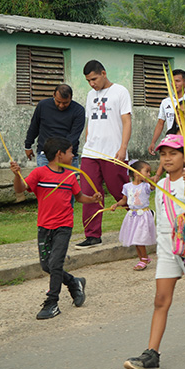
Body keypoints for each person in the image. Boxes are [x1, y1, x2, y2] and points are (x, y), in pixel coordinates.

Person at [123, 135, 185, 369]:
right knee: (160, 299)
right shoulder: (161, 184)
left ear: (184, 156)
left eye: (173, 153)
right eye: (163, 154)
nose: (167, 158)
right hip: (166, 246)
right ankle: (151, 354)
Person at [10, 137, 100, 319]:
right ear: (60, 154)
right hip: (44, 226)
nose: (73, 154)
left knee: (55, 263)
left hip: (64, 227)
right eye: (70, 151)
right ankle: (74, 282)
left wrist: (92, 199)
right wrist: (16, 175)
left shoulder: (70, 176)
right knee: (46, 266)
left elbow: (79, 196)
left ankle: (52, 303)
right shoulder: (39, 173)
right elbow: (21, 189)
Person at [77, 59, 132, 249]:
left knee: (120, 190)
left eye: (94, 79)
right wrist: (87, 142)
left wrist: (123, 147)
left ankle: (143, 217)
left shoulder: (120, 91)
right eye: (88, 81)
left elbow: (126, 120)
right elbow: (89, 123)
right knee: (90, 192)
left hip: (113, 152)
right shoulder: (90, 95)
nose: (92, 84)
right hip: (91, 152)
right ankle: (92, 235)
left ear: (103, 73)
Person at [23, 83, 85, 168]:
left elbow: (74, 136)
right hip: (46, 156)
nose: (61, 105)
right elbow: (34, 127)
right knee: (46, 181)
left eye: (65, 103)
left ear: (71, 98)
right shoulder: (43, 106)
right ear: (54, 95)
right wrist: (28, 146)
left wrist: (61, 153)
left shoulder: (79, 111)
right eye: (58, 102)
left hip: (67, 157)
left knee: (68, 181)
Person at [110, 161, 157, 271]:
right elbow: (124, 200)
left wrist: (149, 180)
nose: (149, 174)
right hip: (132, 216)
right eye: (147, 171)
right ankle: (142, 258)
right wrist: (116, 204)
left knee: (139, 238)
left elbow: (153, 186)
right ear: (136, 173)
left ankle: (144, 259)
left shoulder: (146, 186)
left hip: (143, 215)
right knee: (135, 239)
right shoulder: (127, 186)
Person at [148, 69, 185, 154]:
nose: (174, 84)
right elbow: (160, 123)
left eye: (177, 81)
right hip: (171, 142)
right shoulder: (165, 102)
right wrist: (153, 142)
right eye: (172, 81)